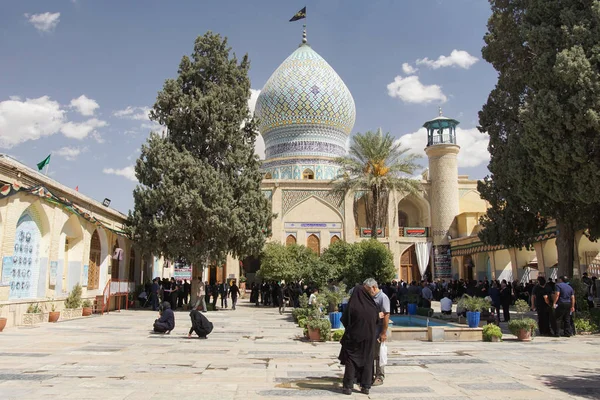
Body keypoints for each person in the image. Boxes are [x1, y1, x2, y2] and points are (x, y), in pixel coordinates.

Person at [339, 284, 378, 395]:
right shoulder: (372, 306)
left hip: (354, 338)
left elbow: (345, 320)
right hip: (369, 339)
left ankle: (348, 387)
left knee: (351, 361)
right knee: (367, 361)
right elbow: (376, 321)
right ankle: (366, 386)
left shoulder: (352, 306)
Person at [363, 278, 389, 387]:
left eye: (368, 290)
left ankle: (380, 376)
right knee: (371, 353)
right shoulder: (371, 297)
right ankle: (370, 374)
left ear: (373, 287)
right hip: (370, 330)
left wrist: (383, 332)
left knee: (378, 354)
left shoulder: (383, 298)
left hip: (378, 330)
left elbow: (386, 315)